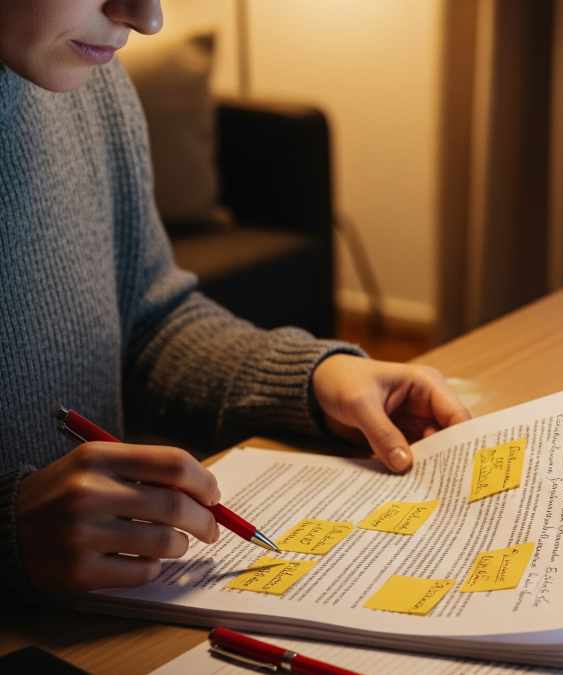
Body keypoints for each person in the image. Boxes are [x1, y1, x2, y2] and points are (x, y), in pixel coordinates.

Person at [0, 0, 470, 605]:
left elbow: (146, 322)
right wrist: (9, 535)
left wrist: (311, 378)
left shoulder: (93, 86)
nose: (148, 19)